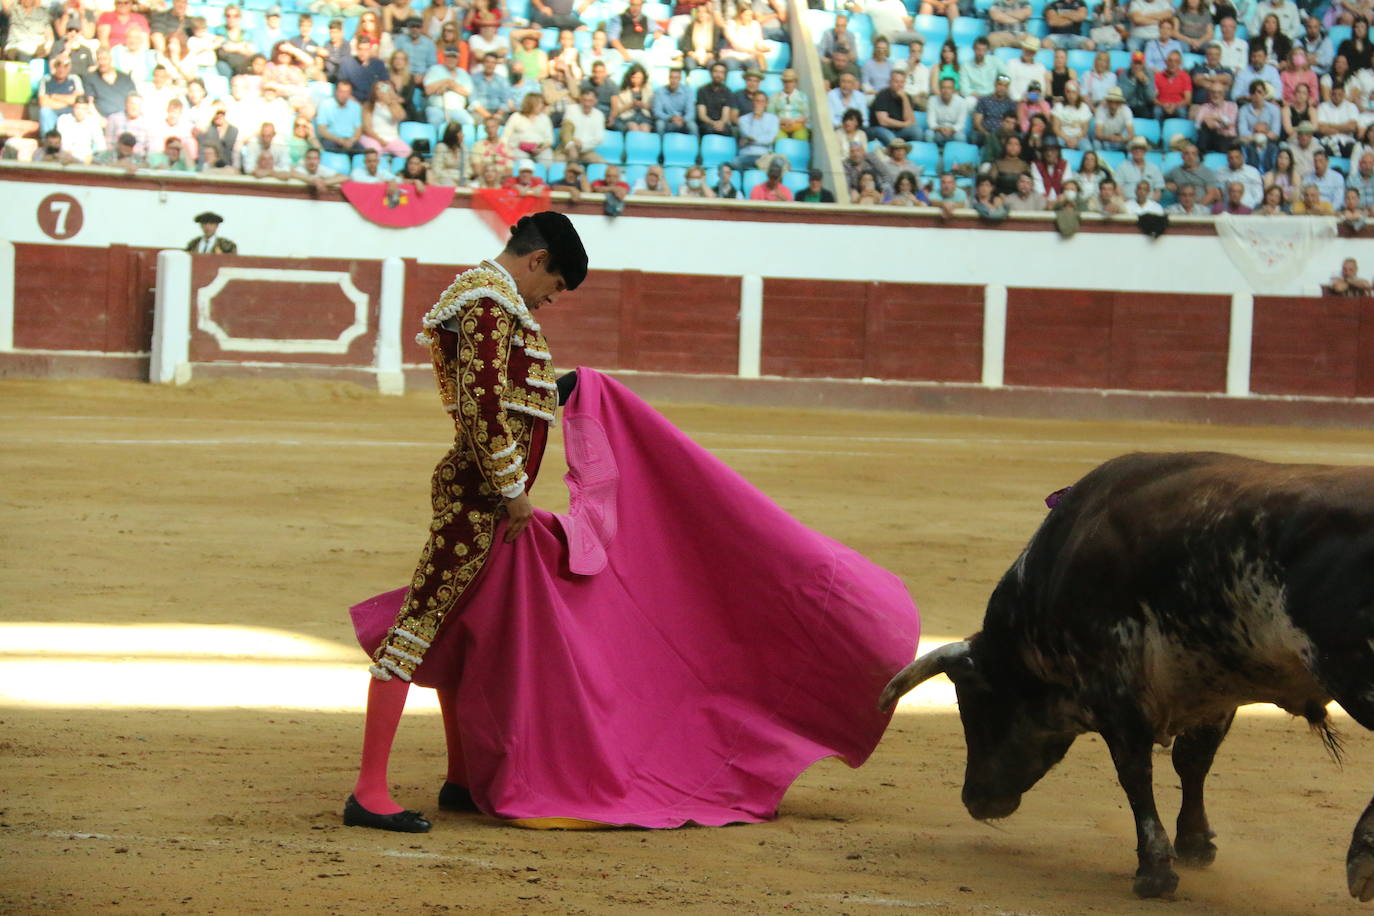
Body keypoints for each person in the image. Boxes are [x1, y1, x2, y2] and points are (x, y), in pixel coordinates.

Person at [345, 214, 587, 832]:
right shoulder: (487, 306)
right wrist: (514, 495)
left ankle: (459, 777)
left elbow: (503, 393)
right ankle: (369, 790)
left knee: (457, 628)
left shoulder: (495, 303)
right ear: (537, 261)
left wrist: (561, 390)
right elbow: (481, 411)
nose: (552, 299)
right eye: (555, 284)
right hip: (480, 496)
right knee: (422, 623)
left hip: (485, 493)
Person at [316, 81, 364, 154]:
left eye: (347, 92)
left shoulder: (355, 107)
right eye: (341, 91)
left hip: (350, 140)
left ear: (350, 93)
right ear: (336, 92)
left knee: (363, 153)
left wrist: (351, 141)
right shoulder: (325, 105)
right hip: (332, 139)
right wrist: (339, 140)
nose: (343, 95)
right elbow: (322, 129)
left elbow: (358, 130)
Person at [653, 67, 696, 135]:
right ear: (668, 78)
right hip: (667, 121)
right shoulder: (660, 91)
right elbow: (657, 112)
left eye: (676, 78)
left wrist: (682, 120)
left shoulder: (688, 91)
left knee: (692, 126)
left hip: (683, 121)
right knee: (659, 124)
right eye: (671, 77)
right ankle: (660, 145)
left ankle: (695, 145)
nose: (673, 80)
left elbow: (691, 112)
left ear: (680, 79)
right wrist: (670, 118)